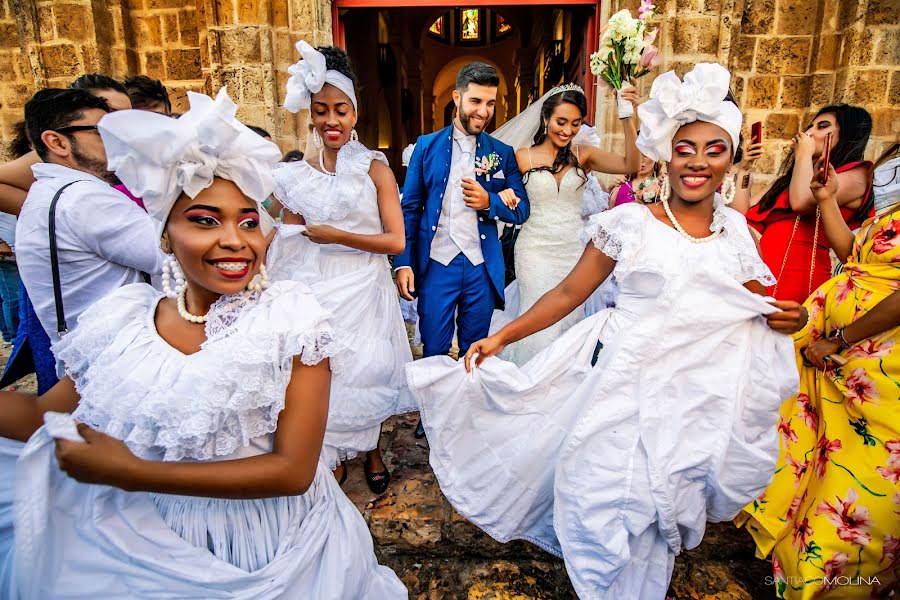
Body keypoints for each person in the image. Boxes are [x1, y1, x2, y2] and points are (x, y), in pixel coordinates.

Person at [405, 63, 806, 599]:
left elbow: (757, 300)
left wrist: (791, 317)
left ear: (730, 158)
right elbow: (569, 293)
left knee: (656, 511)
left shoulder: (735, 233)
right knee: (603, 499)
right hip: (620, 385)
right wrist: (503, 336)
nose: (697, 162)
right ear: (668, 154)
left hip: (689, 396)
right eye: (685, 148)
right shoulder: (630, 224)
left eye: (714, 149)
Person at [0, 88, 406, 598]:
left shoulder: (293, 322)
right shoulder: (125, 322)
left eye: (249, 221)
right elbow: (46, 414)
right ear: (165, 233)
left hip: (265, 542)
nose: (235, 239)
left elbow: (292, 470)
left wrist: (134, 470)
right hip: (154, 538)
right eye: (205, 220)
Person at [738, 161, 900, 600]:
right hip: (838, 351)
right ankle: (802, 557)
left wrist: (842, 338)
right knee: (821, 456)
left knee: (870, 475)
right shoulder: (891, 212)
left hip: (879, 362)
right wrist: (827, 200)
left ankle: (844, 578)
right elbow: (854, 257)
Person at [266, 43, 414, 493]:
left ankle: (370, 450)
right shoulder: (294, 175)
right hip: (314, 285)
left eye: (342, 110)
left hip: (363, 285)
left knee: (365, 371)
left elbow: (396, 240)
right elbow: (286, 235)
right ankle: (330, 450)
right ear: (309, 114)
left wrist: (337, 235)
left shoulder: (375, 169)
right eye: (322, 110)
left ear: (355, 113)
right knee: (323, 374)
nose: (332, 120)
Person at [395, 61, 529, 437]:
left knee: (476, 343)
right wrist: (403, 262)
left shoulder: (501, 153)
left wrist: (490, 202)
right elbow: (411, 206)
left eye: (490, 103)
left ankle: (469, 412)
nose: (483, 112)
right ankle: (434, 414)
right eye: (475, 101)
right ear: (457, 97)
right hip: (437, 262)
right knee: (434, 344)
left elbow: (523, 209)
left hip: (480, 266)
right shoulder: (426, 147)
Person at [487, 83, 639, 364]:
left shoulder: (585, 156)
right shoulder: (522, 157)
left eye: (575, 123)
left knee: (568, 321)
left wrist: (628, 115)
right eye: (561, 122)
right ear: (545, 119)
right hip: (534, 250)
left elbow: (632, 164)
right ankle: (528, 383)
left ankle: (560, 389)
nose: (567, 131)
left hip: (572, 250)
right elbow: (494, 194)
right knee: (537, 321)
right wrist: (504, 194)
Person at [14, 88, 161, 351]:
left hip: (92, 350)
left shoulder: (51, 191)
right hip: (120, 353)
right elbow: (174, 258)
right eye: (103, 134)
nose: (119, 145)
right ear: (57, 143)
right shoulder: (85, 198)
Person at [740, 105, 874, 304]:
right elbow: (741, 212)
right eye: (810, 126)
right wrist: (744, 168)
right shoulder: (786, 183)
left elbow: (801, 202)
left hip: (801, 276)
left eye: (822, 126)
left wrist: (803, 154)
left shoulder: (858, 175)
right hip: (759, 274)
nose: (809, 132)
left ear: (847, 134)